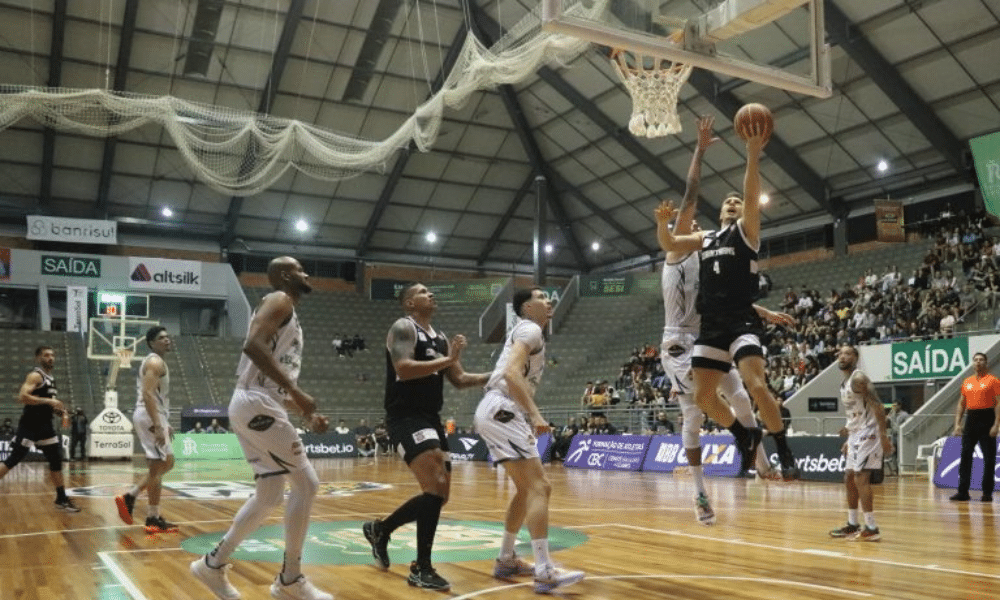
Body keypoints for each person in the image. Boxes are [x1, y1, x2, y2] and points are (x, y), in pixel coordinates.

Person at [654, 116, 794, 525]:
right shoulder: (690, 247)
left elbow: (724, 291)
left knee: (745, 394)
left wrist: (762, 311)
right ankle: (702, 492)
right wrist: (698, 151)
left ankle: (764, 455)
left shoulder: (723, 246)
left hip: (719, 326)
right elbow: (687, 204)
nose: (692, 222)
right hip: (683, 340)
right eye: (726, 203)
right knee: (695, 411)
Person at [190, 256, 333, 600]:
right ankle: (290, 581)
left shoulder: (287, 312)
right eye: (300, 269)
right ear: (285, 275)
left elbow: (268, 380)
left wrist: (299, 408)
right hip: (255, 403)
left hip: (255, 402)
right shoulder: (280, 299)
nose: (306, 272)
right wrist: (298, 394)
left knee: (269, 494)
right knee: (307, 485)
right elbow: (252, 346)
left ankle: (211, 565)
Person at [362, 282, 490, 591]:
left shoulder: (441, 338)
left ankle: (381, 529)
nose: (429, 294)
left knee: (440, 495)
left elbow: (459, 380)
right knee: (433, 483)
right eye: (422, 291)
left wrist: (497, 377)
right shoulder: (403, 328)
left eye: (430, 291)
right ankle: (422, 568)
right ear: (409, 303)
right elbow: (403, 369)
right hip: (404, 416)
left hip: (430, 418)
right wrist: (449, 359)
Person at [474, 288, 585, 593]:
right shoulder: (530, 328)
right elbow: (511, 372)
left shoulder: (528, 332)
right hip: (503, 409)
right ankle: (545, 570)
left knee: (526, 489)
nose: (549, 301)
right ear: (526, 306)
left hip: (496, 409)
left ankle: (507, 558)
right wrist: (535, 415)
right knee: (540, 487)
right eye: (541, 297)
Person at [0, 346, 80, 512]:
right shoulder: (35, 375)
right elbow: (22, 397)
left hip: (45, 426)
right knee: (13, 460)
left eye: (52, 355)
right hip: (30, 425)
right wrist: (50, 402)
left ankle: (61, 498)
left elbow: (46, 403)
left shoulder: (51, 378)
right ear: (38, 358)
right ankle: (61, 498)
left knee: (56, 460)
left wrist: (59, 411)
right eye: (46, 355)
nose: (50, 358)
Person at [115, 327, 178, 533]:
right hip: (149, 415)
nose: (167, 340)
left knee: (167, 462)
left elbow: (155, 396)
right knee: (158, 466)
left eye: (167, 336)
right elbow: (148, 394)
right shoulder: (154, 362)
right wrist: (158, 425)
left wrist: (164, 422)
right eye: (161, 338)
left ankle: (130, 496)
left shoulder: (158, 362)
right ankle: (152, 517)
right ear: (151, 343)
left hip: (155, 414)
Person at [828, 346, 892, 541]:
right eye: (840, 354)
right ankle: (853, 524)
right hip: (856, 434)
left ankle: (871, 527)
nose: (843, 356)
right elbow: (855, 413)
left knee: (860, 478)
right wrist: (849, 435)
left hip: (870, 433)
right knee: (848, 477)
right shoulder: (844, 383)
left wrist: (883, 436)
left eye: (848, 353)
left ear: (855, 357)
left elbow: (879, 407)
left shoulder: (859, 379)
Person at [949, 352, 1000, 502]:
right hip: (971, 420)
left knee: (989, 458)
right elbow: (961, 404)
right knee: (965, 456)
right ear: (973, 364)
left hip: (987, 419)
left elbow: (998, 403)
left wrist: (996, 424)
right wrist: (957, 424)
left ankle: (987, 493)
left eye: (981, 360)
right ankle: (963, 492)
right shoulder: (967, 382)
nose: (978, 362)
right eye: (976, 360)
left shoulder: (993, 381)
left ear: (986, 363)